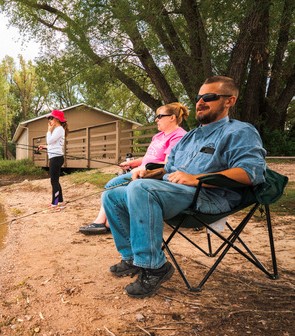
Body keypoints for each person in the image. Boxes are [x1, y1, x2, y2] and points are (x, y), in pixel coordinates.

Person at [103, 76, 266, 298]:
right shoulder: (190, 136)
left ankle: (154, 267)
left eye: (209, 97)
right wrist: (149, 172)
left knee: (140, 189)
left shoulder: (239, 131)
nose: (200, 102)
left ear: (229, 101)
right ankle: (132, 257)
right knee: (113, 193)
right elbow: (169, 168)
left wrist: (197, 179)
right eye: (199, 97)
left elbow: (251, 172)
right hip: (175, 192)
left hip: (210, 196)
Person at [79, 102, 189, 234]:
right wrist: (132, 164)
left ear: (172, 117)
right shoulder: (158, 136)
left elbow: (167, 165)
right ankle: (108, 223)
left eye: (160, 116)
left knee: (112, 184)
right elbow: (148, 157)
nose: (156, 120)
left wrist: (144, 170)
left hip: (154, 176)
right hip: (141, 171)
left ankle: (100, 222)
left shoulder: (179, 136)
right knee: (116, 185)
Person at [38, 109, 69, 211]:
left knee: (54, 182)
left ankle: (54, 205)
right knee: (56, 181)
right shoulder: (58, 130)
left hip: (56, 158)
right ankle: (60, 202)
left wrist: (48, 131)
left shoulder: (59, 129)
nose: (50, 120)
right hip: (56, 157)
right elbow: (53, 145)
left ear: (56, 119)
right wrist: (45, 146)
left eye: (51, 118)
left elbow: (50, 140)